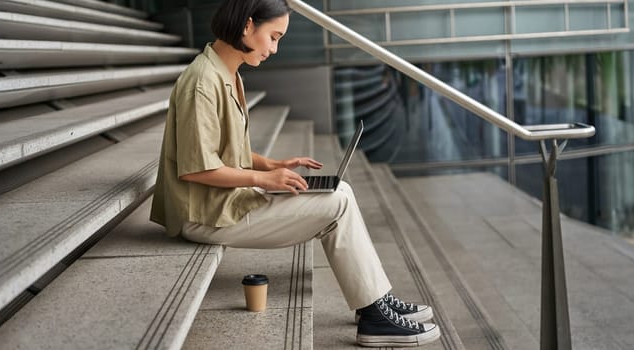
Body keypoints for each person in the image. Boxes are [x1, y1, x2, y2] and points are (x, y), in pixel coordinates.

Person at [148, 0, 440, 347]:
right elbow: (197, 168)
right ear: (247, 26)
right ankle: (375, 314)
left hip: (221, 203)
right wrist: (263, 180)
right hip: (206, 215)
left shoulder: (226, 72)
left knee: (341, 191)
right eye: (273, 37)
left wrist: (271, 164)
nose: (274, 49)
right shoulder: (202, 82)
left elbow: (216, 150)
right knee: (338, 205)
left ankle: (376, 301)